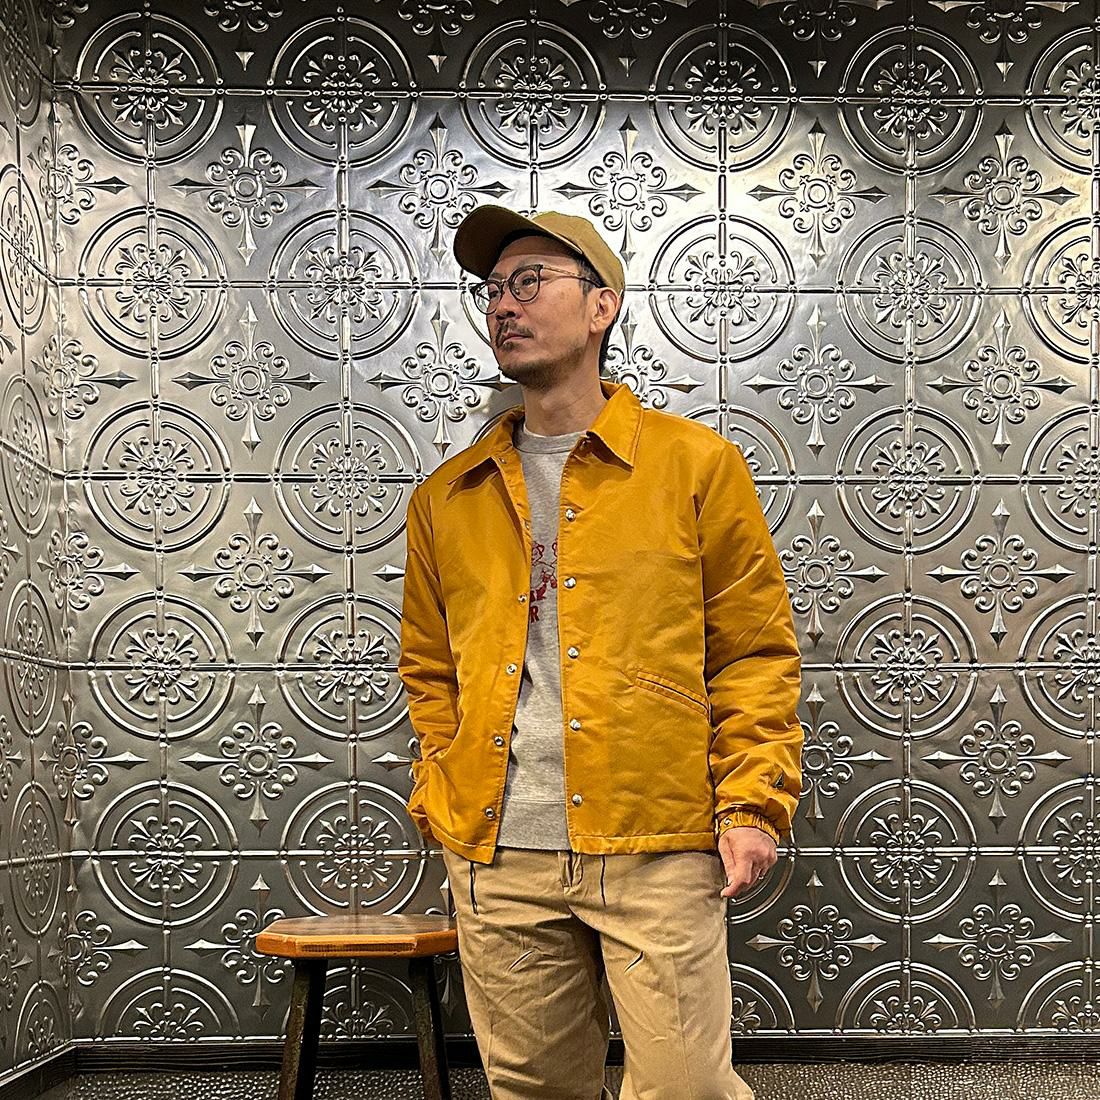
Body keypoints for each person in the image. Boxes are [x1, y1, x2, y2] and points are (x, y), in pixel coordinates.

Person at [398, 204, 803, 1100]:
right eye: (493, 290)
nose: (504, 304)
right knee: (536, 1092)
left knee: (688, 1090)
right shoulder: (446, 499)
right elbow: (428, 667)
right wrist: (439, 786)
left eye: (529, 281)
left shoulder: (695, 466)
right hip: (500, 853)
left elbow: (752, 653)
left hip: (656, 835)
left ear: (601, 306)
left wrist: (751, 802)